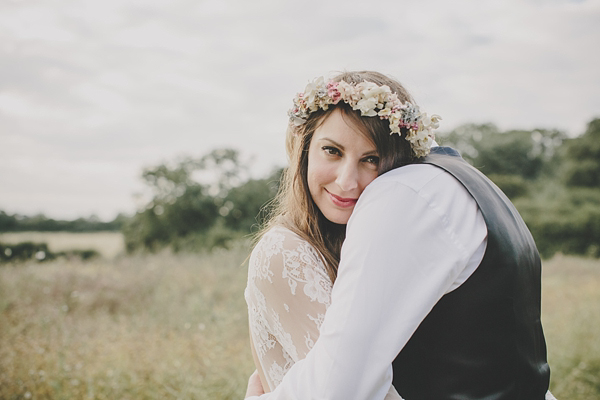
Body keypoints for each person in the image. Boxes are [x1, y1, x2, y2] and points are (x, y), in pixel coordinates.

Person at [245, 71, 553, 399]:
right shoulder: (286, 251)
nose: (347, 181)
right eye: (332, 151)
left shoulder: (398, 213)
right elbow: (340, 385)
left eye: (371, 159)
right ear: (303, 149)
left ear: (396, 160)